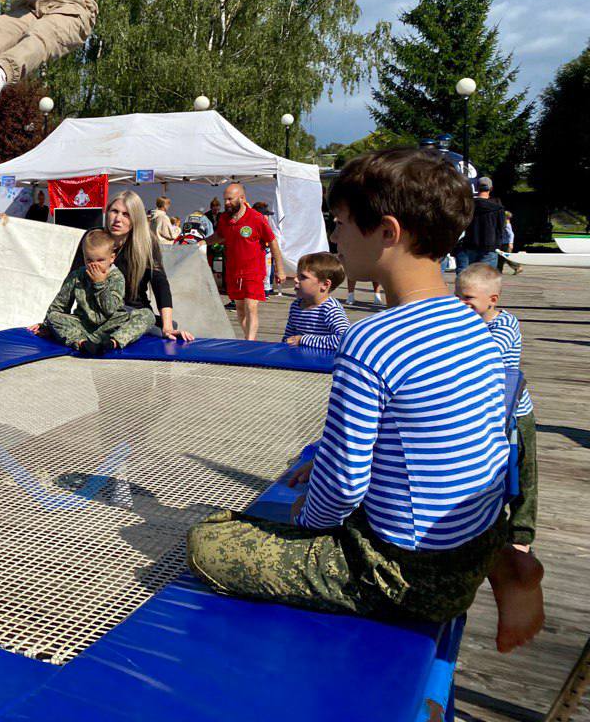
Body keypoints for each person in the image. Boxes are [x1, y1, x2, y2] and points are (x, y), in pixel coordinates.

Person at [187, 147, 543, 654]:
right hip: (479, 532)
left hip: (408, 574)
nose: (335, 237)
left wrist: (304, 525)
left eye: (342, 222)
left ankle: (491, 570)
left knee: (209, 541)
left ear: (387, 232)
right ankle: (506, 564)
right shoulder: (474, 324)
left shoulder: (374, 339)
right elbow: (445, 438)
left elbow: (343, 487)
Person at [455, 263, 543, 631]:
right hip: (487, 417)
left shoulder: (502, 327)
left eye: (468, 301)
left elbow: (494, 370)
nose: (461, 306)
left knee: (523, 472)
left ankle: (521, 535)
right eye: (456, 298)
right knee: (496, 474)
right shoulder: (469, 323)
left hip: (513, 415)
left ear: (493, 300)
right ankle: (493, 526)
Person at [100, 191, 193, 342]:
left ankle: (156, 326)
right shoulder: (94, 239)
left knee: (156, 324)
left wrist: (168, 326)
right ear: (107, 212)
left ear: (136, 218)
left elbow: (160, 284)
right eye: (114, 211)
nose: (118, 219)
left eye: (126, 214)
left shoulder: (147, 243)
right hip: (105, 311)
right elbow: (73, 279)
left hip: (136, 311)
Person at [38, 229, 141, 354]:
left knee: (146, 315)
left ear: (111, 258)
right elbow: (60, 304)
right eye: (89, 260)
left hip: (111, 326)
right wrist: (46, 326)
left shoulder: (116, 277)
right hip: (83, 326)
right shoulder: (77, 276)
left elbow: (110, 309)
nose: (94, 265)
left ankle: (112, 343)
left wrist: (100, 284)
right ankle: (82, 343)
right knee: (53, 317)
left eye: (100, 260)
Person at [208, 183, 285, 340]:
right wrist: (202, 243)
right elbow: (219, 236)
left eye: (230, 199)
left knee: (251, 305)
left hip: (253, 270)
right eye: (225, 200)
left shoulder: (256, 218)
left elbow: (272, 242)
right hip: (233, 270)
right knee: (240, 307)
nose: (227, 203)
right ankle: (250, 339)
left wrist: (280, 269)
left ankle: (250, 341)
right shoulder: (224, 218)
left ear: (242, 198)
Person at [281, 252, 350, 352]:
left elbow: (344, 339)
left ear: (325, 285)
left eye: (303, 277)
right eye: (297, 275)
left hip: (322, 364)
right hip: (297, 361)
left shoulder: (330, 309)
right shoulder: (296, 305)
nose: (296, 279)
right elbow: (289, 336)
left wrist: (303, 340)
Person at [455, 176, 506, 270]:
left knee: (473, 276)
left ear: (477, 187)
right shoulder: (497, 207)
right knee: (486, 277)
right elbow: (501, 227)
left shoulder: (469, 205)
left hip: (471, 244)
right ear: (491, 188)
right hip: (490, 245)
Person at [498, 210, 523, 274]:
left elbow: (511, 234)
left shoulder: (507, 224)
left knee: (505, 257)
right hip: (503, 243)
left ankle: (517, 267)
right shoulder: (504, 223)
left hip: (506, 243)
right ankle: (499, 270)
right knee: (501, 257)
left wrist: (510, 243)